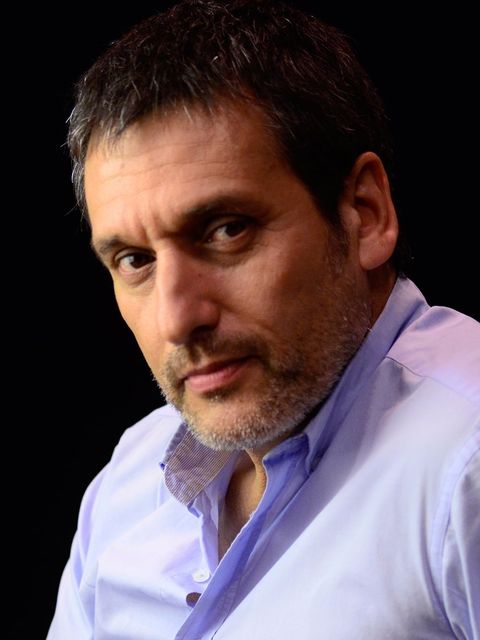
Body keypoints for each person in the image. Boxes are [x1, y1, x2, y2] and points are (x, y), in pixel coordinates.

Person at [48, 1, 479, 638]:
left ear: (365, 213)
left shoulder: (465, 466)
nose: (177, 319)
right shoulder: (127, 485)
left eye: (227, 231)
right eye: (135, 260)